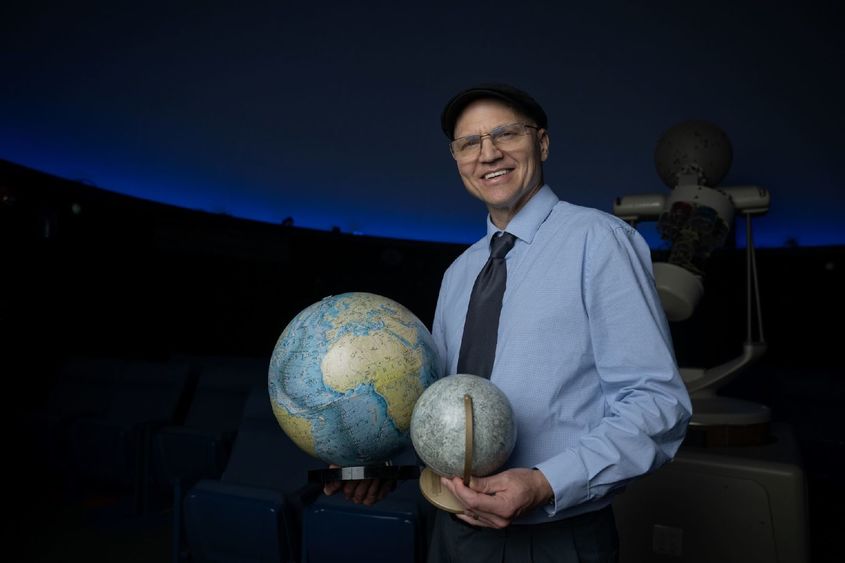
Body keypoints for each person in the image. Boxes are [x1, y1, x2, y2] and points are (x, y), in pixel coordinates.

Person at [325, 83, 692, 562]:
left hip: (555, 535)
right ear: (456, 159)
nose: (488, 153)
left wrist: (544, 484)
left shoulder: (599, 241)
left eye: (505, 134)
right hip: (452, 532)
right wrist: (381, 464)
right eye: (469, 143)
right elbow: (442, 407)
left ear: (541, 142)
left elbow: (657, 403)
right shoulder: (459, 273)